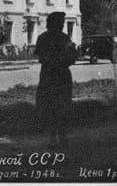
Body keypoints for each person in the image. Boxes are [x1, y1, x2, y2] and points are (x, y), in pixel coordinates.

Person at [34, 12, 77, 148]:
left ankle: (57, 137)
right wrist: (63, 59)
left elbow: (71, 58)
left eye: (63, 23)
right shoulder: (60, 39)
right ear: (54, 23)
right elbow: (43, 57)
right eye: (61, 22)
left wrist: (69, 56)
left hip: (52, 75)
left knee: (57, 106)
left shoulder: (53, 38)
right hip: (56, 75)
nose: (62, 25)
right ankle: (57, 137)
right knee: (57, 106)